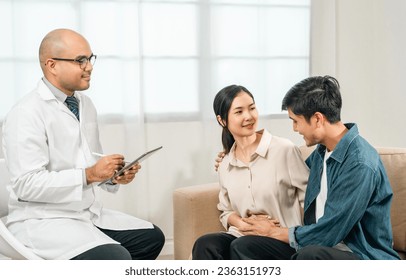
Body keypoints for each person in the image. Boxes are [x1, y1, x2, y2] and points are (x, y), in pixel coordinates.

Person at [1, 28, 165, 260]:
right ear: (52, 65)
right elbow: (26, 185)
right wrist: (89, 174)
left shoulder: (84, 104)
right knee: (116, 257)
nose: (89, 66)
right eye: (80, 60)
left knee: (151, 238)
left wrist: (113, 175)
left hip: (83, 213)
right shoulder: (25, 113)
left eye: (90, 58)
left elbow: (89, 160)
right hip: (42, 219)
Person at [233, 75, 400, 260]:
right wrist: (236, 155)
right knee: (245, 246)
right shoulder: (322, 152)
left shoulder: (360, 163)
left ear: (318, 119)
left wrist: (273, 231)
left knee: (309, 256)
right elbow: (283, 177)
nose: (295, 129)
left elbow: (330, 231)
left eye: (295, 120)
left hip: (361, 255)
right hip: (316, 246)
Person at [192, 85, 309, 260]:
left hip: (281, 241)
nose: (249, 116)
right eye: (239, 112)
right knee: (205, 244)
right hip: (241, 235)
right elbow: (226, 211)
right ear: (222, 120)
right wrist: (244, 224)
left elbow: (311, 200)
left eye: (252, 108)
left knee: (242, 246)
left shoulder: (284, 150)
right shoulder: (225, 163)